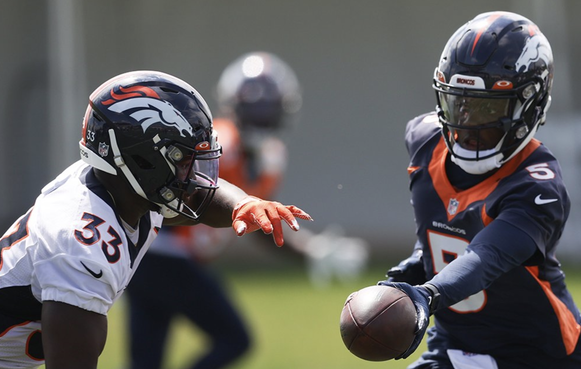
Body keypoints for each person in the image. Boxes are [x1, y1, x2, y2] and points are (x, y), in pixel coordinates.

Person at [0, 70, 311, 369]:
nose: (193, 175)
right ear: (143, 159)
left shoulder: (126, 188)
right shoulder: (81, 244)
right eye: (183, 160)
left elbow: (199, 197)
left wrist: (243, 203)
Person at [126, 52, 368, 369]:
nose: (261, 117)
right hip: (164, 252)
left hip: (153, 259)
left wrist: (313, 251)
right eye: (256, 108)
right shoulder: (217, 141)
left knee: (146, 361)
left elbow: (256, 221)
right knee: (234, 339)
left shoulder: (270, 157)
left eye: (267, 109)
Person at [374, 11, 581, 369]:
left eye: (488, 107)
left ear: (531, 104)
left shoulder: (537, 185)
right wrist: (412, 269)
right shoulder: (426, 142)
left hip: (538, 356)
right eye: (460, 104)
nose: (468, 123)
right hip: (455, 348)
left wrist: (426, 294)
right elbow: (442, 235)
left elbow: (484, 257)